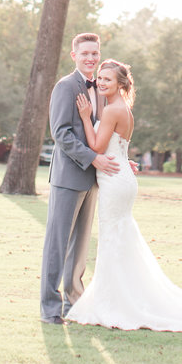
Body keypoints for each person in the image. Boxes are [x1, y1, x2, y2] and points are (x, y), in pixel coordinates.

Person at [65, 59, 182, 333]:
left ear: (120, 84)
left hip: (115, 182)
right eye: (101, 78)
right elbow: (118, 149)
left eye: (108, 79)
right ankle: (120, 296)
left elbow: (96, 146)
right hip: (121, 178)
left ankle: (117, 303)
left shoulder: (111, 111)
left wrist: (84, 116)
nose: (102, 82)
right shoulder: (124, 109)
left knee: (112, 239)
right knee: (120, 239)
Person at [40, 33, 120, 325]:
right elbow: (60, 133)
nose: (91, 58)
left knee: (80, 247)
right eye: (85, 53)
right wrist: (91, 158)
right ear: (74, 55)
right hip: (68, 177)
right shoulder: (65, 86)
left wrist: (120, 158)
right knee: (57, 245)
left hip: (93, 179)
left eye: (95, 53)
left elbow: (99, 134)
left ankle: (73, 303)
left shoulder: (100, 89)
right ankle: (49, 308)